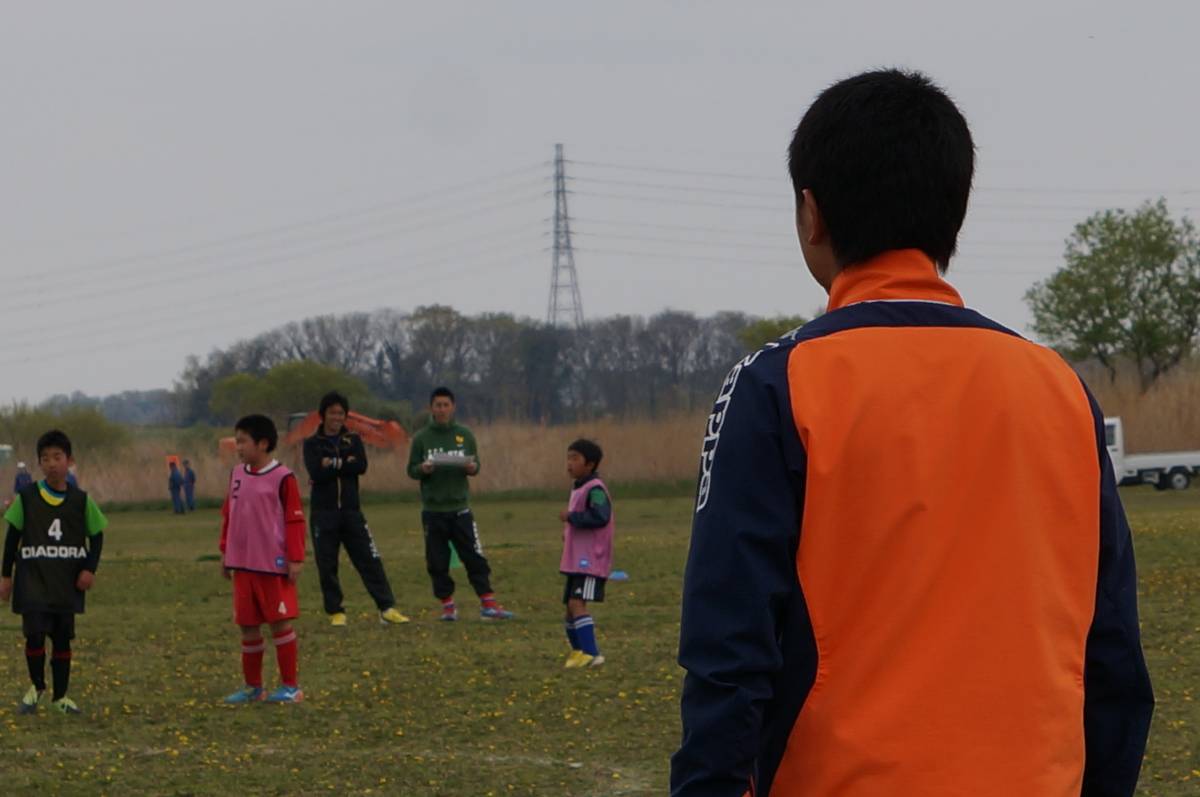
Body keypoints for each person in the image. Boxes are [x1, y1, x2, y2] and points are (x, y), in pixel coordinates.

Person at [671, 69, 1154, 797]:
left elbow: (728, 652)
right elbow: (1111, 653)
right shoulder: (1058, 386)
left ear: (811, 213)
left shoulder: (777, 384)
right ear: (953, 212)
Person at [0, 430, 106, 715]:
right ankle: (37, 687)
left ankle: (60, 697)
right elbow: (11, 539)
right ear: (39, 463)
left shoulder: (81, 501)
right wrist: (6, 576)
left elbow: (97, 536)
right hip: (32, 580)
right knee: (34, 635)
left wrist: (89, 569)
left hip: (64, 582)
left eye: (57, 457)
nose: (51, 464)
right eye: (45, 458)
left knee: (61, 638)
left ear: (69, 461)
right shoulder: (27, 498)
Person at [219, 414, 306, 704]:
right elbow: (229, 515)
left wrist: (295, 557)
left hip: (271, 566)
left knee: (279, 623)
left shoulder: (283, 478)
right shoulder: (236, 474)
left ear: (263, 444)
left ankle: (291, 686)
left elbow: (294, 520)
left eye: (243, 441)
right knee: (248, 626)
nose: (238, 447)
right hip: (242, 566)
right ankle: (253, 688)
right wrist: (225, 551)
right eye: (237, 441)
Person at [303, 391, 408, 627]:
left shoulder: (353, 440)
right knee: (327, 564)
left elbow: (360, 466)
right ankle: (336, 611)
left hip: (351, 512)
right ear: (323, 415)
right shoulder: (312, 443)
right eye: (332, 413)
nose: (337, 418)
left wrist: (333, 463)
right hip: (323, 514)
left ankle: (386, 608)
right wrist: (343, 463)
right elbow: (317, 472)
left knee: (369, 559)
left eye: (341, 413)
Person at [407, 387, 513, 621]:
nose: (442, 409)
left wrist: (472, 468)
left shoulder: (464, 435)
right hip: (433, 511)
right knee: (437, 561)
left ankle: (488, 604)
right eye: (438, 405)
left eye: (446, 405)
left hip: (460, 510)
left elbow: (476, 466)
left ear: (453, 407)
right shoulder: (422, 438)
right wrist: (423, 469)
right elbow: (411, 470)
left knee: (474, 556)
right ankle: (448, 606)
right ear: (431, 408)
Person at [558, 439, 613, 669]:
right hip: (575, 561)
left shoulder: (595, 489)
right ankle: (578, 652)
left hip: (589, 561)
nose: (569, 463)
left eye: (575, 458)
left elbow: (600, 516)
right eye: (568, 458)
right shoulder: (579, 487)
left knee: (577, 604)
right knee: (570, 609)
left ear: (589, 464)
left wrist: (572, 518)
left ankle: (592, 653)